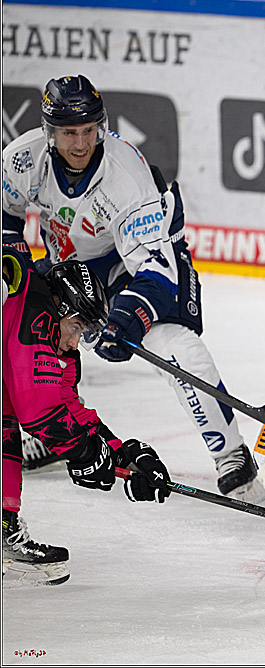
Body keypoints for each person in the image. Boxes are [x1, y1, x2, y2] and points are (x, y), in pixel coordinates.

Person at [2, 75, 264, 502]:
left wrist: (126, 320)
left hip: (139, 259)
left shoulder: (126, 176)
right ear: (50, 132)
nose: (82, 142)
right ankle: (57, 427)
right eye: (69, 132)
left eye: (89, 130)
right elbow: (5, 212)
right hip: (72, 261)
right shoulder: (23, 159)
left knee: (169, 342)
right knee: (36, 329)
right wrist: (18, 268)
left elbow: (156, 276)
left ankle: (231, 454)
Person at [3, 248, 171, 587]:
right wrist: (86, 453)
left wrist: (123, 454)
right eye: (77, 326)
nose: (76, 340)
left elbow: (66, 405)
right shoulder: (32, 308)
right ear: (61, 308)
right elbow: (40, 412)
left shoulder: (50, 332)